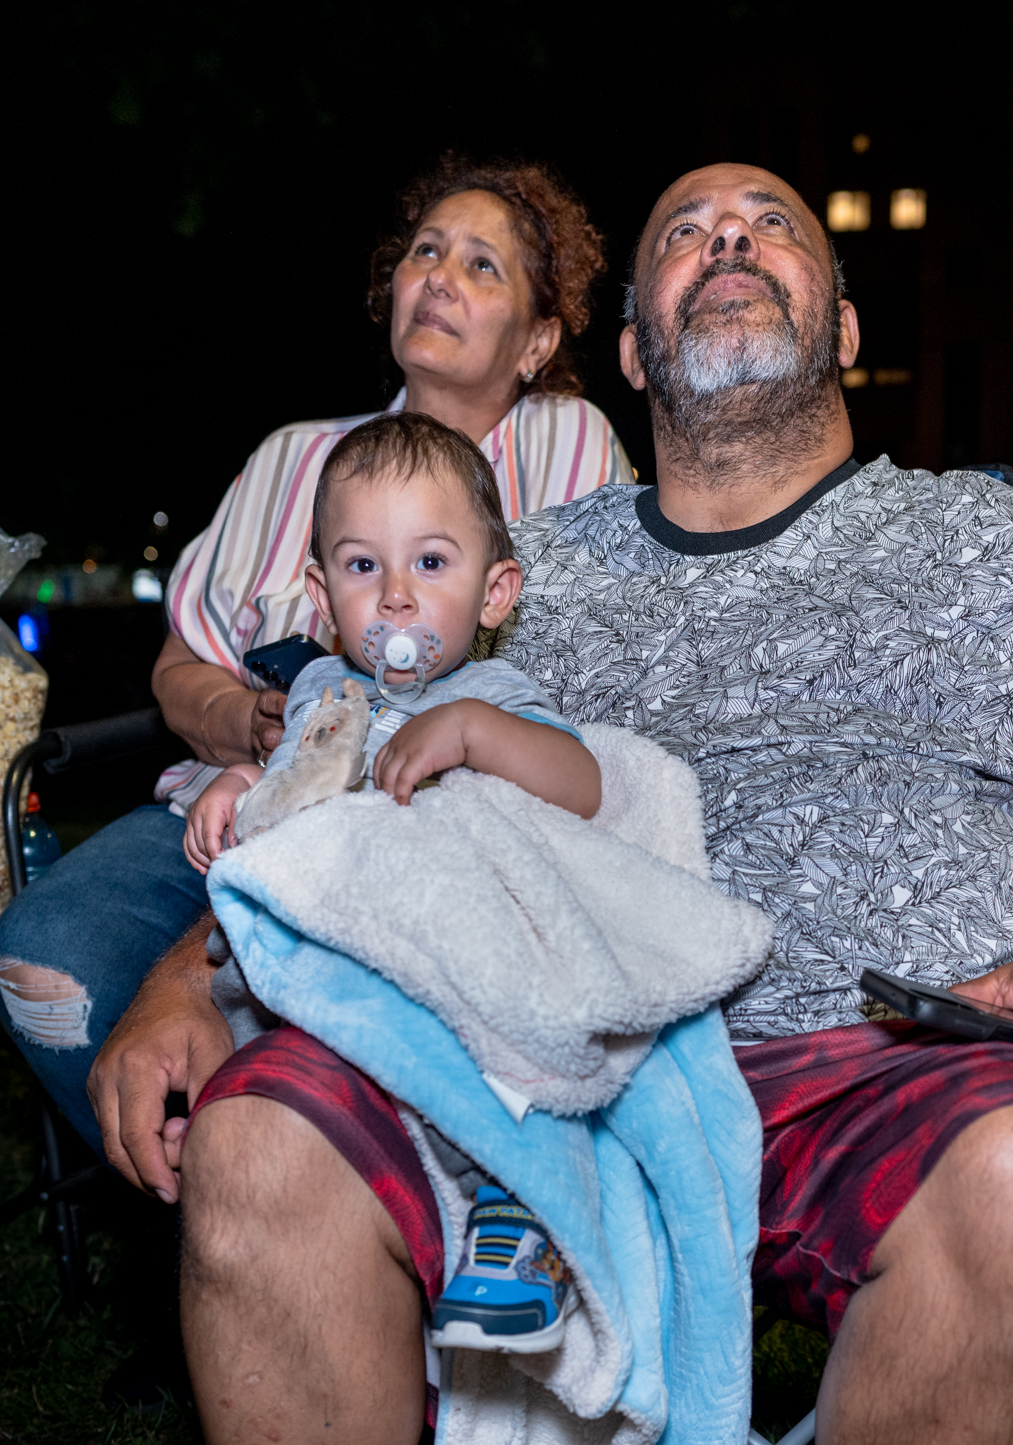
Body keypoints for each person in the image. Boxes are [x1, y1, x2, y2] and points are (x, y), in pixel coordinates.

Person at [91, 164, 1013, 1445]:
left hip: (890, 1053)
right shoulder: (517, 571)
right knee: (258, 1144)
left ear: (842, 330)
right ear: (630, 349)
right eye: (683, 234)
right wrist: (190, 978)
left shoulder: (986, 543)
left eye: (768, 226)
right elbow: (352, 786)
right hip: (537, 1067)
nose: (726, 237)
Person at [0, 156, 630, 1158]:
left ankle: (320, 1210)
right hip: (233, 805)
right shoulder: (294, 460)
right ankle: (214, 1209)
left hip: (438, 841)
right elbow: (180, 664)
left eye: (481, 266)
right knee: (47, 968)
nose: (439, 278)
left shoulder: (566, 449)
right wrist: (241, 720)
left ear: (537, 339)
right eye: (424, 252)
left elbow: (582, 690)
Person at [186, 410, 599, 1354]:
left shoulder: (492, 697)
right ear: (323, 595)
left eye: (432, 563)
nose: (399, 599)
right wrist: (241, 786)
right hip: (326, 978)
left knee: (504, 1040)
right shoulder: (321, 695)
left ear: (496, 593)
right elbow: (293, 784)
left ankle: (523, 1204)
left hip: (443, 970)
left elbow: (583, 788)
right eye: (365, 567)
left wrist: (472, 740)